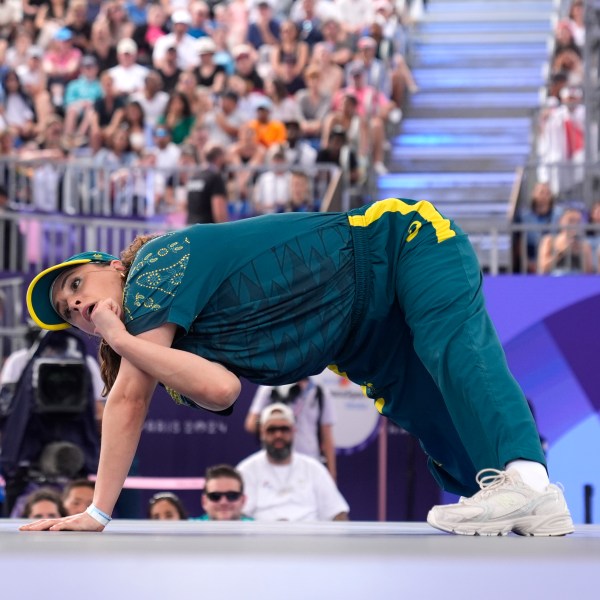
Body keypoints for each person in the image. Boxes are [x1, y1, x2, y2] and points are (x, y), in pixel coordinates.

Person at [20, 196, 574, 536]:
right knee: (432, 417)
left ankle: (526, 476)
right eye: (70, 314)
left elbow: (129, 399)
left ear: (113, 267)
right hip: (359, 337)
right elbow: (219, 390)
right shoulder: (159, 348)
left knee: (453, 350)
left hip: (396, 246)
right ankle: (524, 501)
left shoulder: (156, 264)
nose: (74, 305)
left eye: (75, 285)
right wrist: (126, 341)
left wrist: (97, 513)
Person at [237, 403, 349, 521]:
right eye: (272, 430)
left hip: (309, 538)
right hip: (262, 537)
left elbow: (338, 512)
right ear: (262, 433)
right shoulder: (246, 470)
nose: (278, 435)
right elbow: (240, 515)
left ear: (294, 431)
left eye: (284, 429)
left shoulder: (314, 468)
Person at [245, 378, 337, 479]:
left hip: (309, 460)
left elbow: (327, 436)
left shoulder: (320, 392)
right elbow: (252, 424)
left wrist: (331, 474)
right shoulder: (271, 387)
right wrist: (268, 421)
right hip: (276, 460)